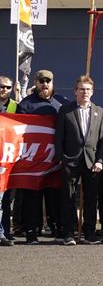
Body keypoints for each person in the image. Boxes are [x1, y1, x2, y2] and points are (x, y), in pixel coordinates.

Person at [17, 69, 69, 244]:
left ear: (53, 83)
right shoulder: (25, 104)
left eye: (48, 81)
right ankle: (31, 232)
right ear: (36, 82)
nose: (45, 84)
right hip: (33, 160)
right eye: (41, 81)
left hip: (56, 159)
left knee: (56, 196)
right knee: (32, 198)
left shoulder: (62, 103)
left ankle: (59, 230)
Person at [54, 76, 103, 245]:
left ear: (92, 92)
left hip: (92, 162)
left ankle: (89, 233)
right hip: (70, 161)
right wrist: (61, 158)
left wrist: (100, 160)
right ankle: (69, 233)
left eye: (88, 89)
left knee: (91, 199)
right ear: (75, 91)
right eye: (82, 89)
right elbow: (59, 136)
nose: (85, 92)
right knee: (68, 198)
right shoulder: (65, 110)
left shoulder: (100, 111)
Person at [0, 75, 17, 246]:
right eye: (1, 86)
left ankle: (4, 230)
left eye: (7, 87)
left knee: (5, 199)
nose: (4, 90)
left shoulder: (15, 107)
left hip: (6, 158)